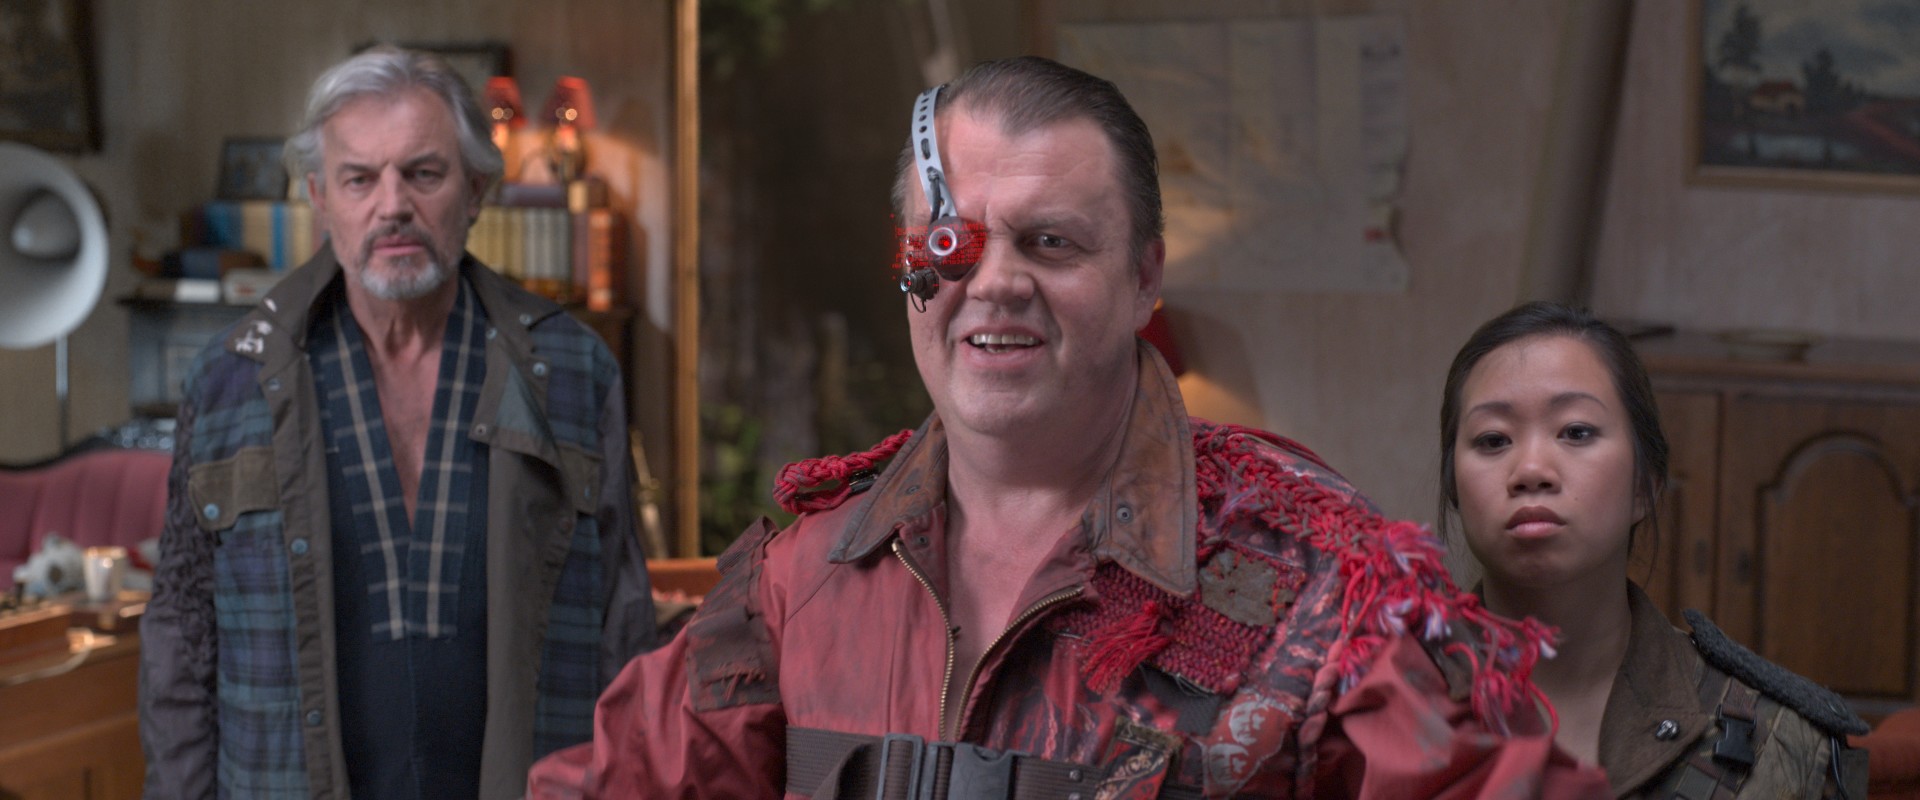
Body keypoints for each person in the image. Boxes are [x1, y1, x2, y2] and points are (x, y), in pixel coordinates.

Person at [529, 56, 1607, 799]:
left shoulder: (1326, 588)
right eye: (951, 245)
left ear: (1144, 277)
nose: (995, 283)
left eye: (1051, 242)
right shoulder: (796, 580)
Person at [139, 47, 658, 800]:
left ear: (475, 189)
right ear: (320, 197)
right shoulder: (230, 381)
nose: (393, 206)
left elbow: (625, 632)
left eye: (423, 173)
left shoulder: (574, 372)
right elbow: (181, 637)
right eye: (360, 178)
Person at [1437, 301, 1869, 798]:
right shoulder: (1381, 703)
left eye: (1576, 432)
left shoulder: (1781, 744)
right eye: (1493, 440)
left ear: (1645, 484)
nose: (1531, 469)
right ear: (1454, 486)